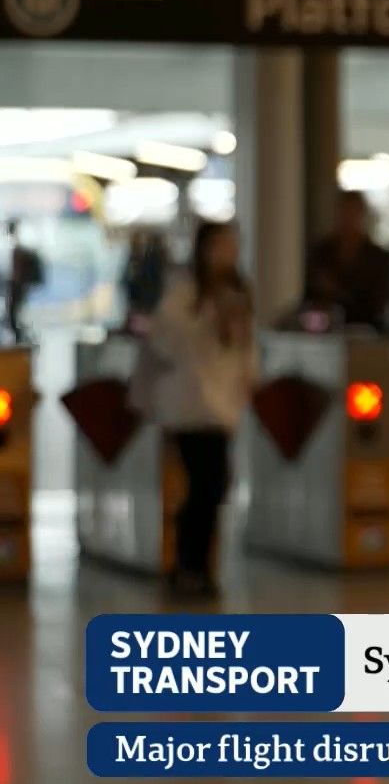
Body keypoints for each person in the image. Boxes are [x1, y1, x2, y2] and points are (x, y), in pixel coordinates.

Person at [144, 222, 256, 596]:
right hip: (189, 406)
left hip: (221, 406)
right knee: (204, 484)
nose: (228, 254)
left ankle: (200, 566)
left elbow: (244, 348)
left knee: (214, 486)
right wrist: (207, 316)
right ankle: (186, 565)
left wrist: (248, 380)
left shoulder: (238, 293)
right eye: (221, 246)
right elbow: (166, 339)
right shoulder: (184, 293)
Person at [302, 191, 389, 328]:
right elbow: (310, 295)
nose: (348, 219)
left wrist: (337, 291)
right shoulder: (322, 252)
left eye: (353, 213)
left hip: (365, 330)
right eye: (344, 212)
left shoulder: (376, 257)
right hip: (326, 329)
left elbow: (378, 303)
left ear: (361, 215)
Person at [4, 220, 44, 343]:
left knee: (13, 316)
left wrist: (14, 283)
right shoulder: (17, 245)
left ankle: (23, 339)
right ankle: (22, 339)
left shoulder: (16, 247)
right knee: (14, 316)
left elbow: (16, 271)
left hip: (17, 286)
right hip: (19, 286)